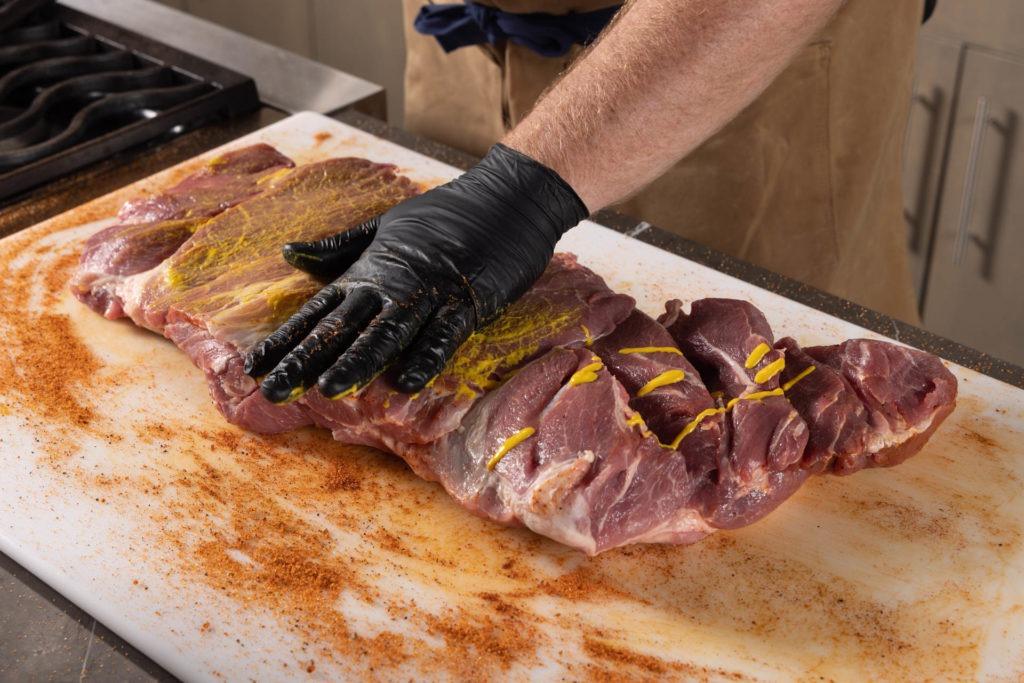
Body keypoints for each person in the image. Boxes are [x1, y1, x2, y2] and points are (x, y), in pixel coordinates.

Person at [244, 0, 926, 404]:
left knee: (737, 399)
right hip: (465, 46)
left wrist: (524, 192)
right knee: (441, 371)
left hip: (721, 61)